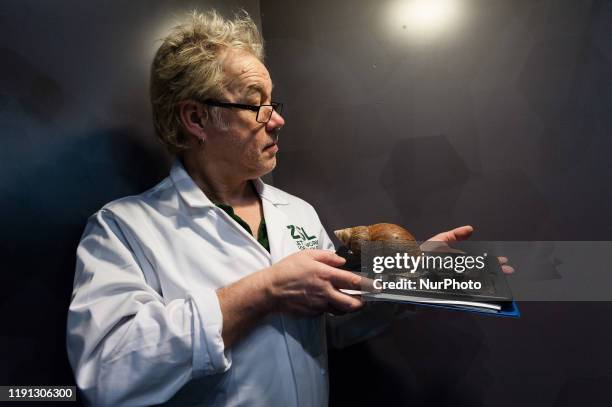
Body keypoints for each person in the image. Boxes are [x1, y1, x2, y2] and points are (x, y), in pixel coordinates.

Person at [66, 9, 498, 406]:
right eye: (257, 105)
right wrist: (264, 291)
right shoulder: (123, 230)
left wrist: (407, 277)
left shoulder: (297, 212)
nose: (277, 120)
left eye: (274, 103)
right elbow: (107, 374)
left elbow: (331, 326)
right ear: (196, 119)